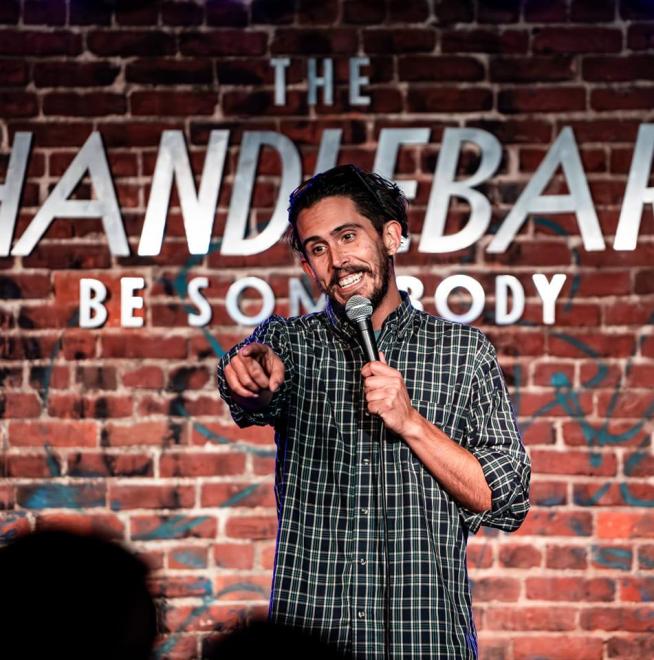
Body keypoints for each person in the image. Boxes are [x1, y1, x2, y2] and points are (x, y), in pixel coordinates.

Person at [217, 165, 530, 659]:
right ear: (308, 267)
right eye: (318, 248)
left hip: (425, 640)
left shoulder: (463, 352)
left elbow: (506, 498)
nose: (338, 260)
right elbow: (253, 382)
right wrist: (250, 374)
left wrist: (411, 423)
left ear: (390, 237)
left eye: (348, 236)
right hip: (314, 638)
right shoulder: (290, 345)